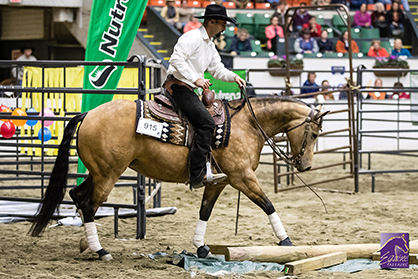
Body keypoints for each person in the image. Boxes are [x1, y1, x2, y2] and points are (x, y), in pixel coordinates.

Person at [165, 4, 246, 189]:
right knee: (206, 123)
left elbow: (217, 69)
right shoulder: (192, 37)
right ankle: (197, 174)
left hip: (188, 87)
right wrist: (196, 79)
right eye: (223, 23)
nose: (225, 27)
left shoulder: (209, 44)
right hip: (178, 87)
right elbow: (176, 60)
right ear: (212, 22)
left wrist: (233, 77)